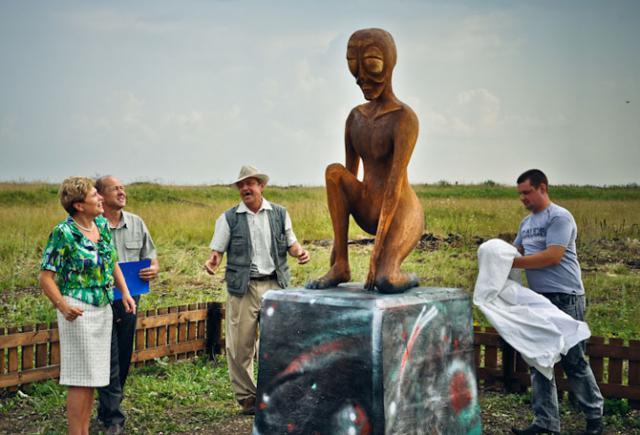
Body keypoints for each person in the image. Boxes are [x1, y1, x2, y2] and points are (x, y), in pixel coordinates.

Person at [306, 28, 424, 294]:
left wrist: (376, 255)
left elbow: (394, 184)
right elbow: (347, 184)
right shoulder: (355, 118)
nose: (361, 78)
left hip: (401, 212)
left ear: (389, 64)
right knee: (334, 173)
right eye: (353, 66)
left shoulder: (404, 118)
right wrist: (338, 252)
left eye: (371, 66)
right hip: (369, 205)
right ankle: (342, 268)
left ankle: (407, 276)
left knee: (386, 280)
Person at [204, 165, 310, 415]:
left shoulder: (280, 213)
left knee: (278, 343)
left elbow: (291, 243)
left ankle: (276, 394)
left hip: (276, 285)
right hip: (244, 287)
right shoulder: (229, 217)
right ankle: (248, 398)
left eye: (249, 184)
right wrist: (213, 262)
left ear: (261, 186)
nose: (244, 189)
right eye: (240, 185)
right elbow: (217, 251)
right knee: (240, 346)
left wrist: (300, 252)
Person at [39, 177, 136, 435]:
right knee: (80, 380)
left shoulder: (102, 225)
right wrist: (62, 306)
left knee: (93, 379)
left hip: (103, 309)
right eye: (95, 195)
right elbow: (45, 277)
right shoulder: (64, 233)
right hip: (78, 311)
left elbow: (112, 261)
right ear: (79, 205)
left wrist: (124, 292)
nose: (101, 198)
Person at [511, 169, 604, 435]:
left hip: (566, 297)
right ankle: (545, 423)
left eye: (527, 192)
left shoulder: (560, 217)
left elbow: (552, 256)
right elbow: (515, 250)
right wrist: (495, 254)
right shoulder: (526, 223)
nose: (523, 199)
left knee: (574, 360)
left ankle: (594, 417)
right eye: (520, 194)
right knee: (539, 359)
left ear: (543, 188)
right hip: (539, 300)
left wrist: (514, 261)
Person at [95, 175, 159, 434]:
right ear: (100, 195)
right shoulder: (93, 225)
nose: (122, 192)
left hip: (131, 299)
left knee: (122, 354)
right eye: (115, 189)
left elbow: (152, 258)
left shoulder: (136, 223)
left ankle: (110, 407)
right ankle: (113, 417)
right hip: (100, 300)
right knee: (107, 356)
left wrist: (153, 269)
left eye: (123, 188)